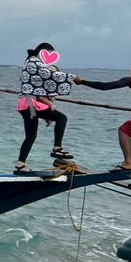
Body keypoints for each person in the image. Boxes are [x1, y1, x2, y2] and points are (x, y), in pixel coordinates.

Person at [15, 42, 77, 172]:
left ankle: (20, 164)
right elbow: (46, 79)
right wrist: (73, 78)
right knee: (62, 118)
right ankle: (57, 148)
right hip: (30, 103)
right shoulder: (34, 62)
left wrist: (47, 114)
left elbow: (39, 87)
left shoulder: (30, 63)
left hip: (25, 103)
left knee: (31, 136)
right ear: (42, 52)